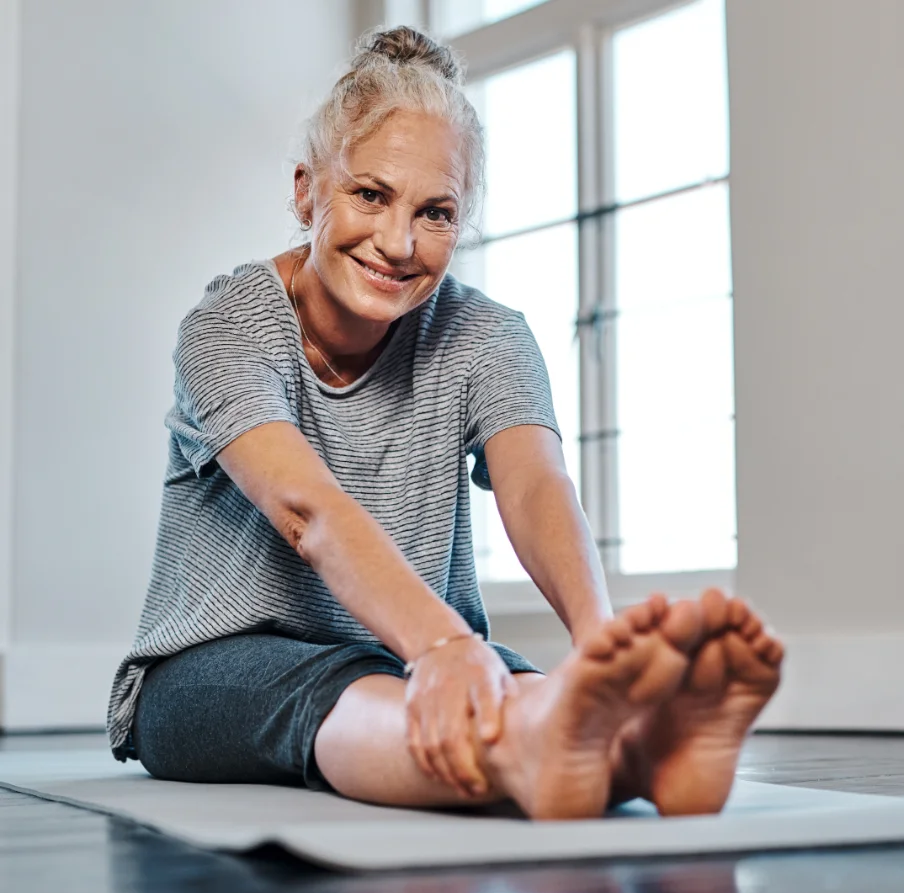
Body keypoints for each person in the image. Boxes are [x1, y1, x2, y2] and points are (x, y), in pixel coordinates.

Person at [105, 25, 783, 820]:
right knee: (350, 690)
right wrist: (442, 645)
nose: (398, 242)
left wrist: (602, 646)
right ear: (305, 192)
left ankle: (636, 749)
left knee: (514, 683)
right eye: (370, 195)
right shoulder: (228, 327)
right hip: (210, 672)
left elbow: (535, 485)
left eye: (435, 212)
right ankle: (525, 754)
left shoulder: (487, 335)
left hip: (412, 647)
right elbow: (308, 511)